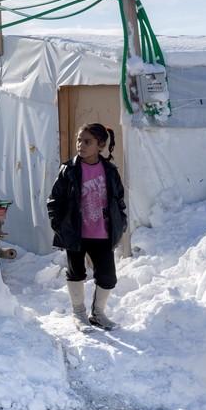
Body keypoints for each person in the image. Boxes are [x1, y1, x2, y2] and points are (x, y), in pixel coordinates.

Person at [47, 123, 127, 332]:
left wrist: (122, 222)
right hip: (76, 232)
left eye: (87, 141)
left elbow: (119, 200)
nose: (81, 145)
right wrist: (58, 224)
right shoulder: (69, 169)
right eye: (79, 140)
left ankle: (98, 314)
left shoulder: (109, 170)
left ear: (100, 145)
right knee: (76, 273)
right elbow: (54, 199)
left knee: (108, 277)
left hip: (102, 232)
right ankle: (79, 314)